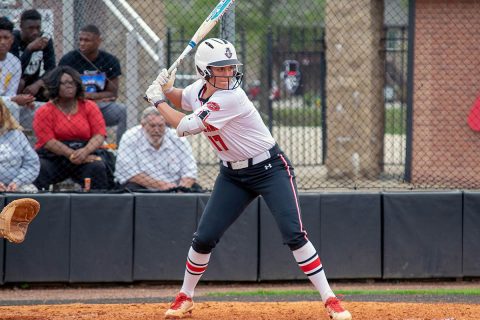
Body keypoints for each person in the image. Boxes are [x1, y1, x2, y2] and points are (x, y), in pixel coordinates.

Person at [145, 38, 352, 320]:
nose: (229, 73)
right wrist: (167, 88)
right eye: (221, 68)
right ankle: (185, 296)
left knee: (294, 234)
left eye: (231, 67)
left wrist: (157, 98)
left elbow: (184, 126)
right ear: (204, 72)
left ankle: (330, 299)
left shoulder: (231, 96)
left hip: (270, 169)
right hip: (232, 175)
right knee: (204, 237)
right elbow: (183, 98)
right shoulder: (200, 90)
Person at [32, 66, 109, 191]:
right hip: (54, 157)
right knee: (40, 167)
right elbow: (48, 141)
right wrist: (72, 154)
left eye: (72, 82)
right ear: (55, 85)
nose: (69, 86)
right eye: (64, 83)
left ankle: (98, 206)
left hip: (84, 152)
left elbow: (99, 135)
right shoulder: (44, 110)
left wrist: (84, 152)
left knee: (97, 166)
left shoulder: (89, 106)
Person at [58, 24, 127, 144]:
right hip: (75, 106)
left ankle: (121, 149)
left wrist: (90, 96)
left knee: (124, 111)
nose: (82, 43)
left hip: (101, 107)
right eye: (80, 39)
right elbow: (62, 91)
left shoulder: (110, 61)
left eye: (87, 40)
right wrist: (98, 96)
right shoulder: (68, 60)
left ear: (98, 41)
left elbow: (113, 93)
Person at [115, 106, 199, 192]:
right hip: (143, 186)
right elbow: (128, 173)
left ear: (166, 125)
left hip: (175, 186)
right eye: (152, 125)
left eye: (160, 126)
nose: (156, 130)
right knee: (129, 188)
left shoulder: (178, 139)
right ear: (143, 125)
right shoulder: (130, 137)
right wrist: (162, 185)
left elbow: (190, 171)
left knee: (195, 188)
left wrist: (182, 189)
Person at [0, 16, 35, 125]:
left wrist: (24, 100)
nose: (2, 42)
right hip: (6, 103)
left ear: (12, 40)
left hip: (5, 105)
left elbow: (11, 93)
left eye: (6, 38)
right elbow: (12, 98)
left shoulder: (15, 62)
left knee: (34, 108)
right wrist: (13, 100)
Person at [0, 98, 39, 192]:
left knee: (30, 191)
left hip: (16, 185)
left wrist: (17, 182)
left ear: (2, 112)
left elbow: (32, 164)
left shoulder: (16, 134)